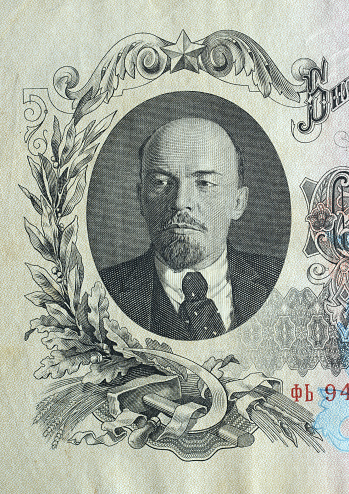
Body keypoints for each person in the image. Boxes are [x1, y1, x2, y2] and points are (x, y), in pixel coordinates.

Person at [100, 117, 283, 340]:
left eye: (204, 183)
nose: (179, 202)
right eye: (160, 182)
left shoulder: (281, 279)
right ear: (140, 199)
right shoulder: (99, 291)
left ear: (238, 202)